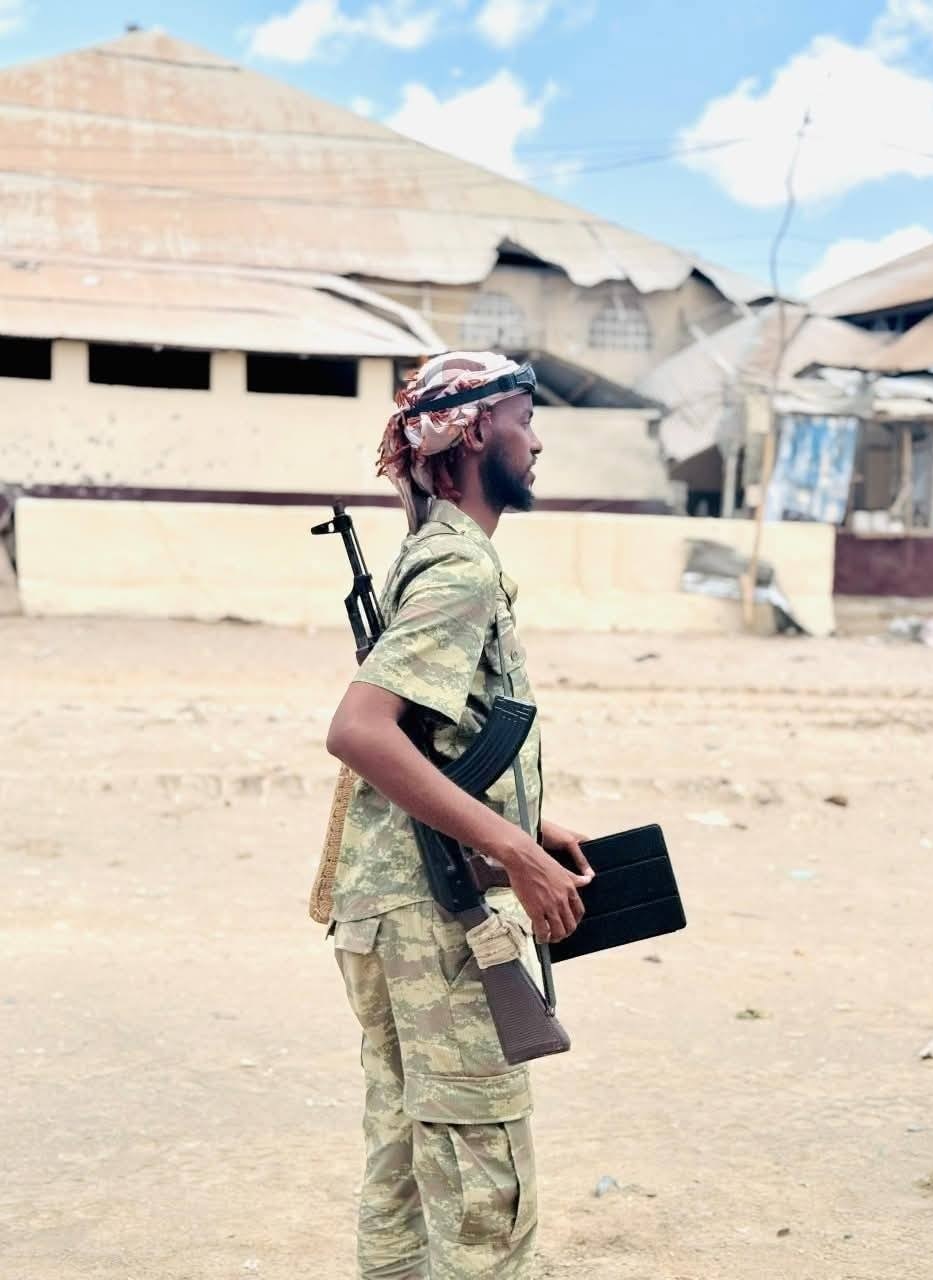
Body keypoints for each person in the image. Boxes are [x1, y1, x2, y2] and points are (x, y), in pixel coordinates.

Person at [326, 350, 593, 1279]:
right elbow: (362, 730)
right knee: (482, 1175)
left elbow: (438, 737)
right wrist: (513, 848)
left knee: (406, 1152)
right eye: (525, 420)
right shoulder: (460, 571)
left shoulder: (432, 556)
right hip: (435, 918)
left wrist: (532, 824)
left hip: (388, 906)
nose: (537, 441)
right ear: (477, 433)